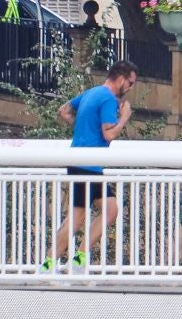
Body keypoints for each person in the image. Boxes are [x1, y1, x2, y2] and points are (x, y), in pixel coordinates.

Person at [45, 59, 137, 271]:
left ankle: (73, 260)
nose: (130, 88)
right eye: (130, 83)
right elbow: (109, 134)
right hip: (89, 165)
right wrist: (123, 118)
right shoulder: (108, 100)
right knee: (77, 219)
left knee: (110, 210)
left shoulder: (92, 92)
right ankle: (52, 263)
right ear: (121, 79)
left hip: (81, 162)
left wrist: (85, 130)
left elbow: (64, 111)